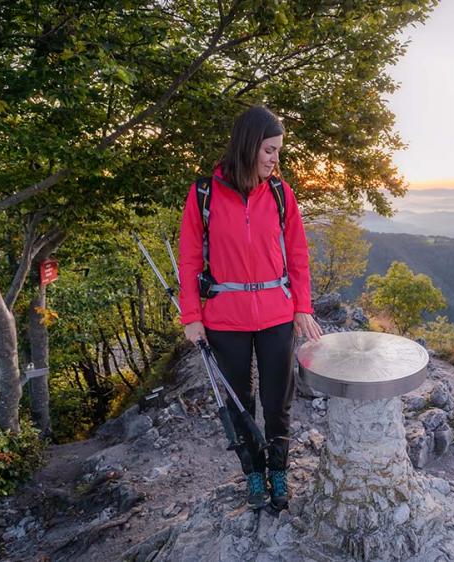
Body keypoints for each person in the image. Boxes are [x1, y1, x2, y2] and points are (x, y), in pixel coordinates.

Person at [177, 105, 323, 512]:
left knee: (278, 401)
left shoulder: (280, 193)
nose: (276, 159)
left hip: (277, 313)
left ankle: (278, 469)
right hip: (225, 318)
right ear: (249, 145)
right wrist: (192, 316)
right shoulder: (203, 194)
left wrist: (302, 307)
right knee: (239, 401)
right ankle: (253, 473)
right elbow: (189, 259)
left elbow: (298, 254)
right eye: (270, 150)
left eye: (278, 151)